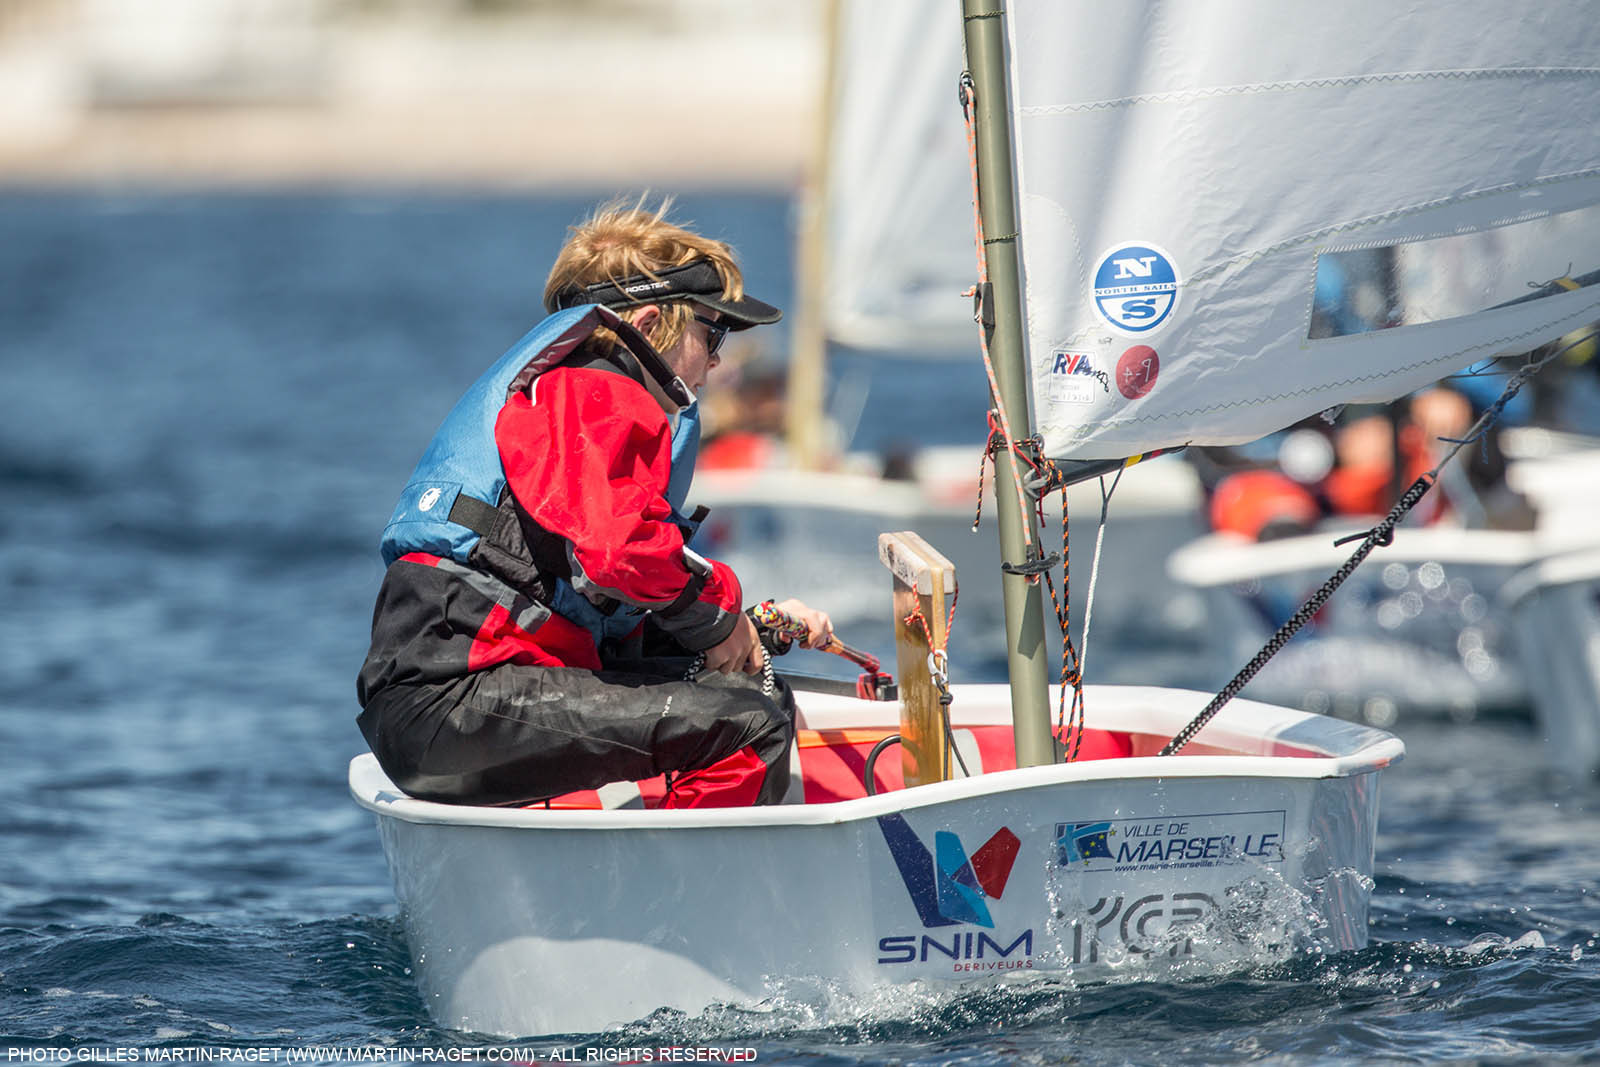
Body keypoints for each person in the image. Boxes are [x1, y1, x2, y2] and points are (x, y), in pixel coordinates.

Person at [356, 199, 833, 809]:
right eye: (712, 332)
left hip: (454, 701)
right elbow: (620, 550)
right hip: (455, 699)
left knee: (747, 694)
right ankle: (688, 899)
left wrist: (743, 627)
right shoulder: (593, 389)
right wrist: (718, 617)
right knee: (746, 724)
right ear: (654, 321)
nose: (718, 358)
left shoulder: (567, 390)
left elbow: (604, 580)